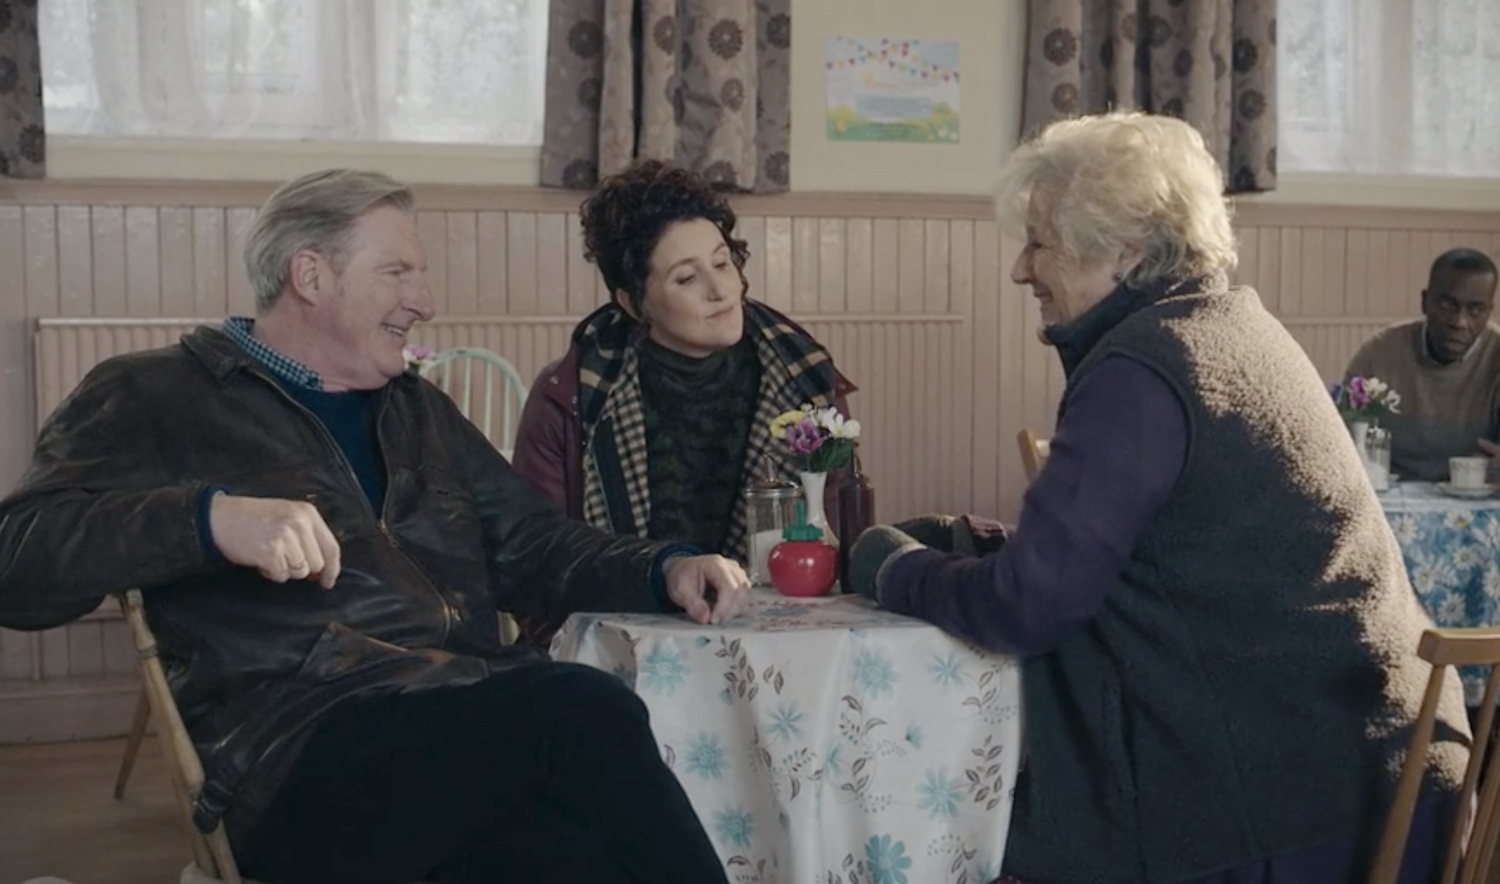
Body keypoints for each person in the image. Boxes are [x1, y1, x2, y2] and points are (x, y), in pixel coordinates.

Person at [0, 169, 749, 884]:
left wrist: (663, 568)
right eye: (399, 272)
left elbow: (534, 543)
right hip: (296, 757)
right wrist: (208, 520)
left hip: (453, 726)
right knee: (581, 704)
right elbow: (18, 564)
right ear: (311, 276)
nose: (424, 300)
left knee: (579, 865)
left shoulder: (417, 410)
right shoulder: (155, 394)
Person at [847, 113, 1470, 884]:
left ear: (1127, 253)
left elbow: (1029, 608)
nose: (1020, 267)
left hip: (1295, 812)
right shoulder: (1234, 324)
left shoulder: (1142, 367)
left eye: (1042, 241)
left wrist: (891, 569)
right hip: (1391, 773)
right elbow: (1178, 558)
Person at [512, 159, 854, 641]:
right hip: (622, 645)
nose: (721, 291)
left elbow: (839, 557)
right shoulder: (570, 396)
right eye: (686, 278)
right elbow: (537, 562)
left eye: (723, 263)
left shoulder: (806, 380)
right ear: (633, 302)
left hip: (776, 642)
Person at [1343, 247, 1500, 481]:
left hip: (1477, 500)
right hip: (1388, 498)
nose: (1459, 322)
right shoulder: (1378, 354)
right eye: (1448, 305)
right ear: (1425, 302)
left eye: (1475, 309)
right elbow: (1341, 444)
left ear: (1489, 312)